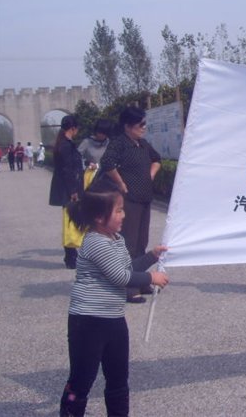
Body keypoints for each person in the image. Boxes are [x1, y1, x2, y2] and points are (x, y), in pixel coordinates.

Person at [59, 184, 169, 417]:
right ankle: (70, 411)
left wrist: (151, 256)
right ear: (99, 217)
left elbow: (128, 268)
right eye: (118, 210)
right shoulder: (95, 242)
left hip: (113, 319)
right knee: (82, 377)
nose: (124, 215)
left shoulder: (116, 239)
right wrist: (152, 277)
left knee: (118, 376)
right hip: (88, 321)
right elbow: (121, 277)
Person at [100, 107, 161, 303]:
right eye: (140, 124)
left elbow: (157, 159)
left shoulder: (142, 144)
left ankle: (142, 280)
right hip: (129, 199)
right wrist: (120, 183)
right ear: (127, 126)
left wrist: (150, 175)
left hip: (144, 198)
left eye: (144, 124)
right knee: (130, 243)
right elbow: (107, 163)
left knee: (142, 242)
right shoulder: (120, 143)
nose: (144, 127)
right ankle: (129, 286)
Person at [49, 115, 85, 269]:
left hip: (66, 187)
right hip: (68, 189)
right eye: (77, 128)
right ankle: (70, 257)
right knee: (70, 221)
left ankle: (71, 256)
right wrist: (73, 191)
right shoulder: (65, 145)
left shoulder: (64, 143)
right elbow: (67, 170)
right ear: (73, 128)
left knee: (70, 220)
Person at [78, 118, 113, 190]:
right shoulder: (87, 142)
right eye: (99, 132)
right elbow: (76, 157)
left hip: (106, 178)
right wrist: (87, 164)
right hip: (89, 177)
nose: (101, 135)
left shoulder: (109, 144)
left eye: (104, 133)